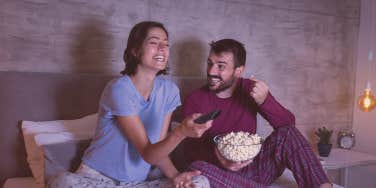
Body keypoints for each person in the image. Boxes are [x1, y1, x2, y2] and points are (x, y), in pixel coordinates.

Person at [49, 21, 211, 188]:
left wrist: (177, 176)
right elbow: (148, 153)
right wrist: (181, 132)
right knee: (61, 182)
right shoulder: (119, 89)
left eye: (166, 44)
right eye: (154, 42)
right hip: (98, 180)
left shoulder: (169, 91)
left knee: (200, 183)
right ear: (135, 51)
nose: (162, 48)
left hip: (137, 184)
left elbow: (158, 151)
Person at [181, 39, 332, 188]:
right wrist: (221, 160)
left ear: (238, 71)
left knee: (287, 133)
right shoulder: (195, 99)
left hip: (254, 168)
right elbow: (189, 152)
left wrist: (265, 101)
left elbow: (288, 124)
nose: (211, 71)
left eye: (220, 66)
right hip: (220, 173)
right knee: (197, 167)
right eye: (209, 63)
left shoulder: (249, 88)